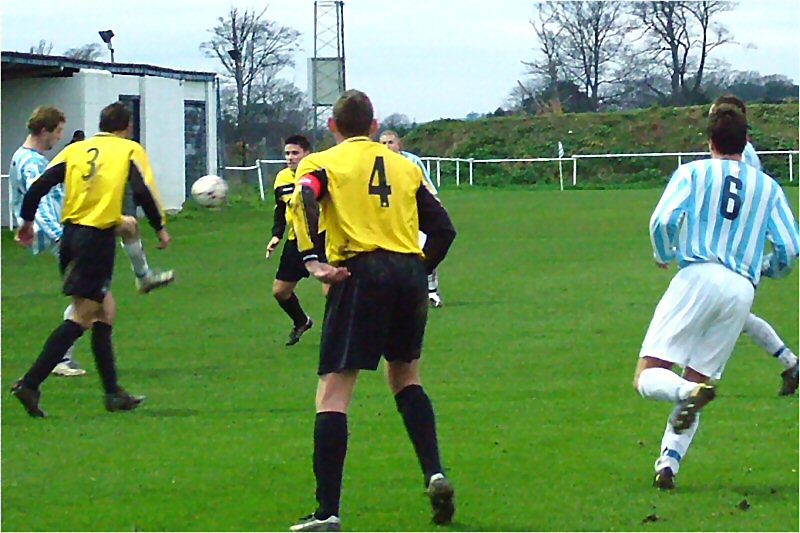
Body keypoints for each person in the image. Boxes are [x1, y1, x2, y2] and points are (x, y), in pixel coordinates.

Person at [287, 90, 457, 531]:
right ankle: (434, 472)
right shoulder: (404, 166)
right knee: (405, 377)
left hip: (359, 271)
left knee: (334, 391)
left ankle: (327, 512)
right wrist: (421, 271)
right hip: (407, 272)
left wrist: (312, 262)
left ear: (332, 126)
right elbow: (443, 229)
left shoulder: (321, 163)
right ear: (374, 124)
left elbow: (303, 199)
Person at [633, 103, 799, 490]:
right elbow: (790, 248)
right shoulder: (768, 186)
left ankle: (687, 394)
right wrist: (765, 269)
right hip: (741, 288)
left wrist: (663, 253)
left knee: (647, 375)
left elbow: (662, 220)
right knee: (699, 374)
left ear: (709, 141)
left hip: (698, 275)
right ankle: (668, 464)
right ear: (746, 142)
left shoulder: (692, 172)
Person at [11, 101, 172, 417]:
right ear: (126, 127)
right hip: (95, 241)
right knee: (82, 316)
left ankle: (113, 393)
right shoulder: (125, 151)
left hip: (71, 236)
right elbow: (140, 191)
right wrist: (160, 227)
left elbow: (40, 185)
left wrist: (27, 221)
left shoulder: (77, 150)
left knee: (104, 312)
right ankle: (30, 383)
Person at [709, 94, 799, 395]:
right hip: (736, 249)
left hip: (738, 250)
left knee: (723, 313)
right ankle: (791, 364)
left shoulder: (741, 156)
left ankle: (693, 383)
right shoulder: (745, 152)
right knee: (734, 315)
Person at [265, 135, 327, 345]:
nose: (290, 158)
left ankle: (339, 334)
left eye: (295, 153)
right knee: (280, 292)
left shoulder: (319, 175)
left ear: (307, 154)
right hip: (296, 241)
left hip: (323, 238)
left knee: (331, 290)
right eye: (287, 153)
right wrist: (276, 235)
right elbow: (281, 209)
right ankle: (301, 321)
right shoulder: (282, 178)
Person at [379, 129, 445, 308]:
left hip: (414, 216)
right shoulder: (376, 165)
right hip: (389, 218)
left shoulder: (412, 162)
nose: (387, 146)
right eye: (383, 143)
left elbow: (428, 188)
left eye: (390, 142)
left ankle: (431, 291)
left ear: (399, 144)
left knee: (424, 251)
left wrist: (437, 209)